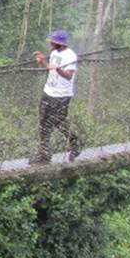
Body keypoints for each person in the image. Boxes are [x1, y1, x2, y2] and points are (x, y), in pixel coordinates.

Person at [29, 30, 83, 165]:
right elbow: (49, 68)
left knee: (58, 122)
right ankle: (44, 155)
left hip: (62, 96)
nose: (50, 44)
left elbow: (69, 75)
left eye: (52, 42)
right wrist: (42, 61)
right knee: (43, 124)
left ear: (60, 43)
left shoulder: (70, 56)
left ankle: (76, 143)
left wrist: (58, 68)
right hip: (48, 92)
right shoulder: (54, 53)